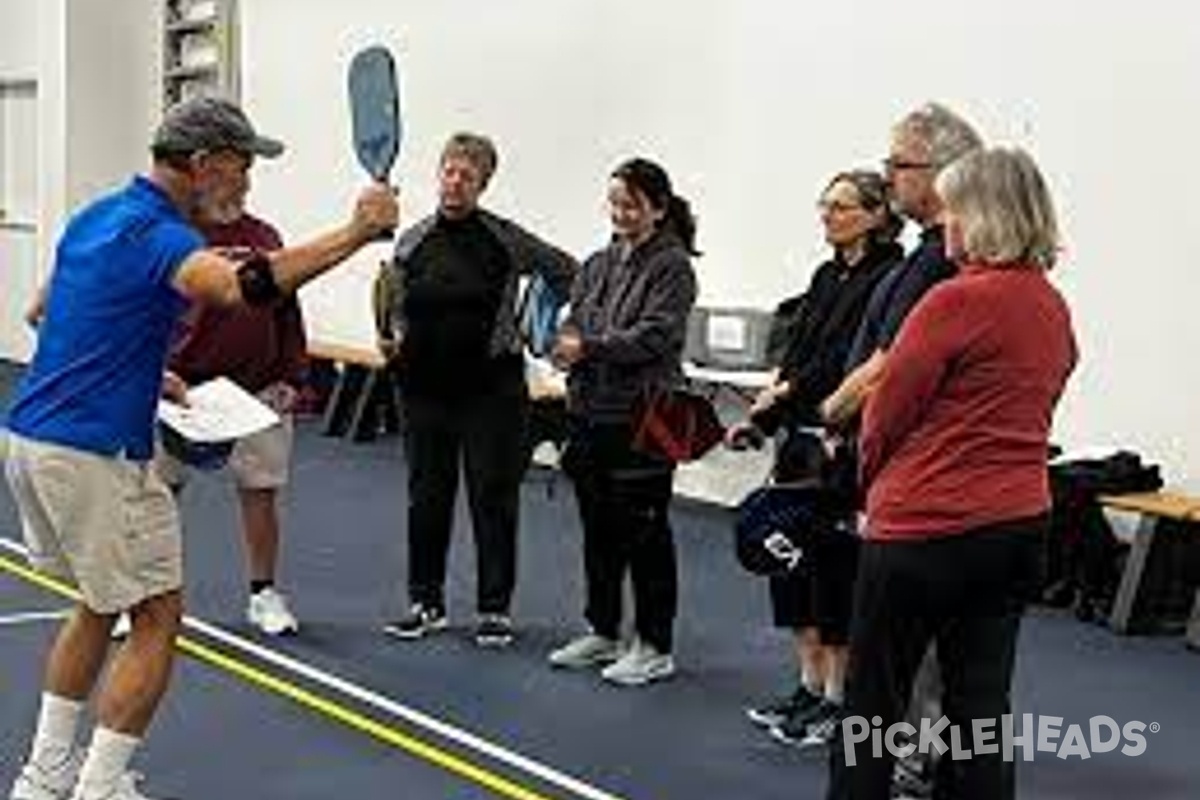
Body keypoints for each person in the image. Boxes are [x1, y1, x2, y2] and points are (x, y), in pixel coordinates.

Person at [4, 95, 397, 800]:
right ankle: (98, 787)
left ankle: (45, 777)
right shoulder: (162, 236)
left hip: (32, 438)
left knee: (99, 604)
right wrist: (356, 233)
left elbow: (44, 311)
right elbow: (242, 288)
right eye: (241, 167)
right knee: (156, 616)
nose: (247, 184)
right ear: (203, 164)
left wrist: (139, 365)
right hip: (96, 452)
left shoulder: (99, 216)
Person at [827, 146, 1077, 799]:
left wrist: (871, 487)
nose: (949, 226)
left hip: (923, 531)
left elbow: (885, 418)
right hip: (1018, 527)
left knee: (873, 708)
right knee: (980, 713)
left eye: (956, 211)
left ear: (982, 216)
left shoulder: (952, 302)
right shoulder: (1052, 307)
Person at [818, 103, 982, 797]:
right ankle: (924, 759)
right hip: (907, 482)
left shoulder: (948, 259)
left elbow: (895, 364)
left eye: (898, 165)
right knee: (913, 652)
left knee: (912, 653)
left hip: (919, 488)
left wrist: (836, 412)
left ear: (941, 173)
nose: (889, 177)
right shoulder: (928, 255)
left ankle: (919, 765)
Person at [727, 170, 902, 746]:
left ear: (876, 215)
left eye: (842, 207)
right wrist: (763, 414)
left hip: (842, 446)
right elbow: (801, 349)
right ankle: (806, 685)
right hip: (798, 441)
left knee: (834, 575)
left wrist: (790, 392)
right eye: (824, 205)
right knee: (791, 570)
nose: (828, 215)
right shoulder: (825, 274)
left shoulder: (890, 278)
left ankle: (838, 698)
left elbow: (844, 364)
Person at [382, 132, 576, 647]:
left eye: (467, 175)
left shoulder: (505, 239)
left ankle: (495, 609)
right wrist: (393, 335)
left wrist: (550, 330)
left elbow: (568, 273)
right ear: (438, 174)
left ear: (484, 183)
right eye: (449, 171)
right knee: (427, 497)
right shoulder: (412, 240)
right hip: (422, 389)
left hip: (491, 390)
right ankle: (425, 602)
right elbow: (395, 300)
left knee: (492, 497)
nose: (455, 182)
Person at [547, 157, 698, 686]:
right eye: (614, 202)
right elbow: (573, 319)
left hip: (647, 416)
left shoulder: (673, 266)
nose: (621, 213)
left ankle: (655, 644)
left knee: (646, 533)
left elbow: (654, 337)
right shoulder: (596, 263)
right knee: (598, 529)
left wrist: (586, 346)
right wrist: (563, 346)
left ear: (657, 207)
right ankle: (603, 629)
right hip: (591, 412)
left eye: (631, 204)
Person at [156, 169, 305, 637]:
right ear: (203, 181)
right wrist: (155, 373)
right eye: (232, 178)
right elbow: (147, 310)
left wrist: (291, 375)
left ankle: (263, 594)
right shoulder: (179, 238)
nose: (241, 187)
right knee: (158, 497)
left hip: (255, 389)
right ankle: (145, 601)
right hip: (180, 389)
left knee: (260, 492)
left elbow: (287, 310)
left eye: (246, 178)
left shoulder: (265, 237)